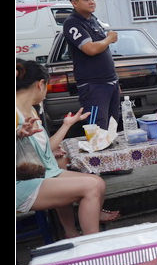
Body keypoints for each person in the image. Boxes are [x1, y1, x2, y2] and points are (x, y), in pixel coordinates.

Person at [16, 59, 118, 239]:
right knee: (92, 186)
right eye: (46, 87)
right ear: (40, 85)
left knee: (97, 182)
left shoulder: (31, 110)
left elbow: (46, 148)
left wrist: (66, 125)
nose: (46, 93)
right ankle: (93, 245)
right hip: (22, 184)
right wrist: (17, 134)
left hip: (39, 174)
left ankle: (74, 233)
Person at [63, 0, 119, 130]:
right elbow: (90, 49)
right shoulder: (72, 23)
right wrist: (109, 39)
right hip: (93, 87)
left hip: (111, 83)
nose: (92, 2)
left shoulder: (93, 19)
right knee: (97, 129)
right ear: (74, 3)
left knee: (113, 128)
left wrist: (115, 81)